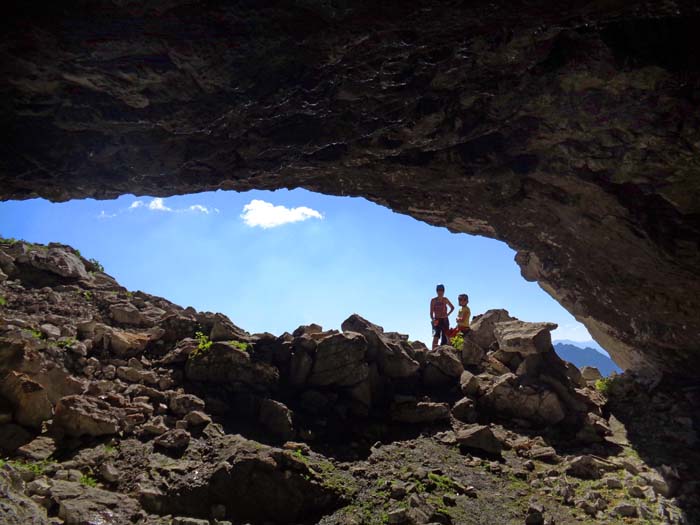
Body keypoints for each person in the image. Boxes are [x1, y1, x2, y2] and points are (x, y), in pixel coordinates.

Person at [430, 284, 454, 349]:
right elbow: (431, 312)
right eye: (438, 290)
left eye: (442, 290)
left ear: (444, 291)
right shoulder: (433, 300)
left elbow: (452, 307)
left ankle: (447, 353)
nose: (440, 292)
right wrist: (433, 320)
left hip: (445, 320)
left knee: (446, 337)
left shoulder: (445, 299)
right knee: (436, 337)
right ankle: (432, 354)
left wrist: (447, 314)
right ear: (436, 291)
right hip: (436, 320)